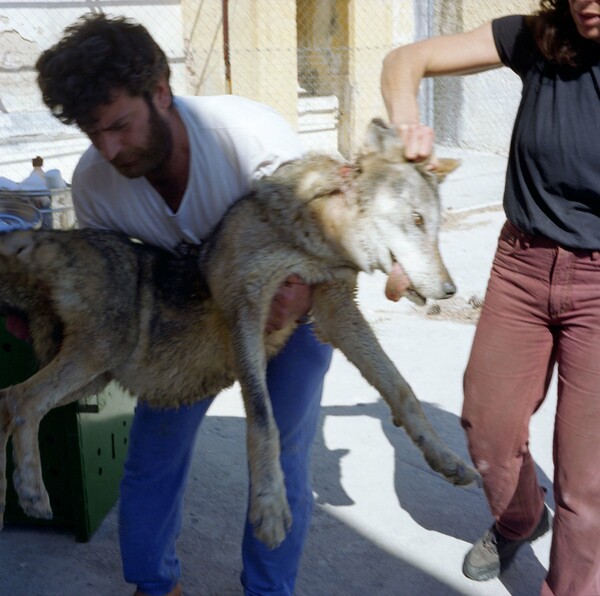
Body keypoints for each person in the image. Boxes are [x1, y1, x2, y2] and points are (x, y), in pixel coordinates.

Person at [33, 13, 335, 596]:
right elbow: (114, 285)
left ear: (162, 92)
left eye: (120, 125)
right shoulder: (94, 183)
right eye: (94, 134)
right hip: (186, 315)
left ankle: (269, 591)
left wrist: (296, 291)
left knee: (278, 456)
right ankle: (153, 584)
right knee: (153, 452)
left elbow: (327, 243)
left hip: (288, 313)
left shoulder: (251, 138)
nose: (110, 149)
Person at [381, 1, 600, 594]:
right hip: (522, 266)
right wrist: (406, 126)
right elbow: (408, 57)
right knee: (488, 428)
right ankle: (521, 517)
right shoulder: (539, 37)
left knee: (588, 487)